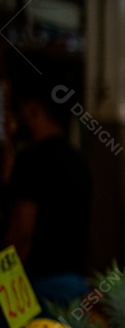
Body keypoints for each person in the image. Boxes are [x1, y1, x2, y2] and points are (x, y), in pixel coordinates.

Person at [3, 75, 91, 304]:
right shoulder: (78, 160)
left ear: (34, 109)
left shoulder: (31, 161)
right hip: (75, 285)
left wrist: (10, 295)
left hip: (37, 288)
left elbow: (21, 232)